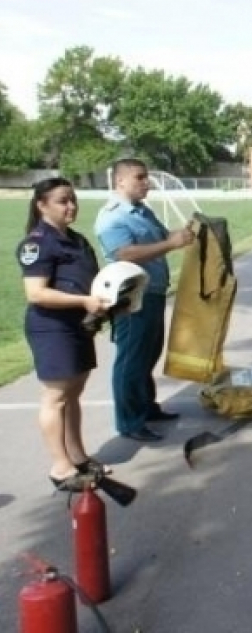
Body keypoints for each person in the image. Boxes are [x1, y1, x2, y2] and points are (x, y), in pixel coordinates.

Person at [18, 178, 112, 491]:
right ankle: (60, 468)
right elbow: (36, 293)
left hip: (78, 325)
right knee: (56, 397)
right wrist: (84, 301)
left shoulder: (77, 240)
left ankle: (78, 457)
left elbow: (93, 281)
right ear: (42, 205)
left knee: (72, 395)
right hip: (52, 327)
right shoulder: (38, 243)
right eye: (62, 200)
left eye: (73, 199)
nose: (71, 206)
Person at [95, 155, 194, 442]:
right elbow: (124, 253)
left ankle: (146, 408)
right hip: (131, 297)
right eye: (139, 177)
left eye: (146, 176)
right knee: (131, 359)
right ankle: (129, 421)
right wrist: (171, 243)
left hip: (153, 292)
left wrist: (186, 234)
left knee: (148, 353)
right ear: (120, 180)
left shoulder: (142, 212)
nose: (146, 182)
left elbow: (164, 237)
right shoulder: (113, 216)